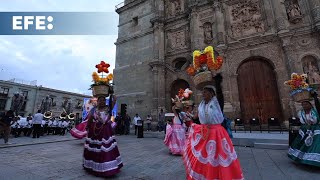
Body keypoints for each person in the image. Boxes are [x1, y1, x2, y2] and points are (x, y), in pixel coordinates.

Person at [183, 86, 243, 179]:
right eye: (203, 92)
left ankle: (221, 175)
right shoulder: (201, 105)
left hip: (217, 133)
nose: (203, 94)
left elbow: (220, 95)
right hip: (205, 133)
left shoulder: (217, 103)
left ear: (212, 93)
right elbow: (195, 117)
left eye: (205, 92)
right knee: (206, 156)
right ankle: (207, 175)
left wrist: (217, 82)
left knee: (219, 156)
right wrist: (187, 114)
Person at [83, 95, 123, 176]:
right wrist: (87, 127)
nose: (102, 102)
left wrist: (113, 96)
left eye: (104, 100)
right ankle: (95, 167)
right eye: (100, 100)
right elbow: (90, 118)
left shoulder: (108, 108)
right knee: (96, 148)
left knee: (106, 148)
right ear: (97, 101)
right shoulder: (94, 109)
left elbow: (113, 101)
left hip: (106, 131)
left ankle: (109, 168)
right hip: (96, 131)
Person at [288, 92, 320, 167]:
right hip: (305, 129)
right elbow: (302, 121)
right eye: (303, 105)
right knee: (302, 143)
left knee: (315, 143)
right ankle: (300, 158)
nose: (305, 106)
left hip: (315, 129)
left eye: (306, 104)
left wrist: (312, 122)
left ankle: (313, 160)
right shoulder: (301, 113)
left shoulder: (314, 112)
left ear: (310, 105)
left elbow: (316, 118)